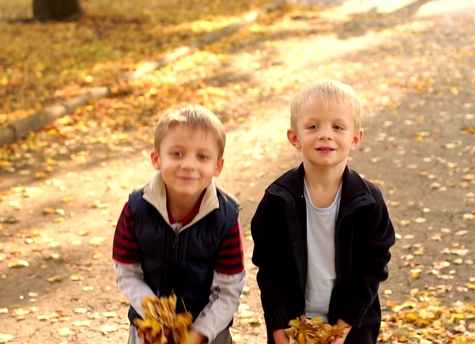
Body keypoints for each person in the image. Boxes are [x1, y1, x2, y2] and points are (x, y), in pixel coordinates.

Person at [250, 79, 396, 344]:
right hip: (293, 325)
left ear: (355, 138)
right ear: (295, 137)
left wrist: (342, 329)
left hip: (352, 325)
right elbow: (269, 269)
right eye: (313, 126)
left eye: (337, 127)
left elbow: (373, 267)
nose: (325, 134)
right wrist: (278, 327)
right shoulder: (276, 200)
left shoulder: (368, 202)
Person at [112, 104, 246, 344]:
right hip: (149, 332)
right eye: (177, 154)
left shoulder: (225, 217)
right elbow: (126, 272)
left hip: (208, 333)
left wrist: (199, 333)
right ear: (156, 159)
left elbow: (228, 289)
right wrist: (155, 313)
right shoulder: (136, 209)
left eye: (202, 156)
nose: (188, 165)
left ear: (218, 166)